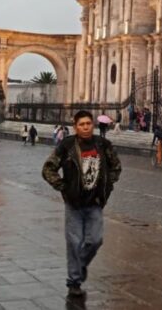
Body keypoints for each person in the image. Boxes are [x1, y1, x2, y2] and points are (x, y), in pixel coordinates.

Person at [42, 110, 122, 300]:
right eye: (81, 124)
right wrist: (63, 187)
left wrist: (107, 185)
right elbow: (48, 168)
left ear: (92, 125)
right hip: (74, 203)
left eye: (88, 124)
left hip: (95, 203)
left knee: (95, 240)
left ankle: (81, 265)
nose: (85, 127)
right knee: (74, 242)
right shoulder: (67, 145)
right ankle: (74, 281)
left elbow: (116, 167)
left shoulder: (103, 144)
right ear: (75, 126)